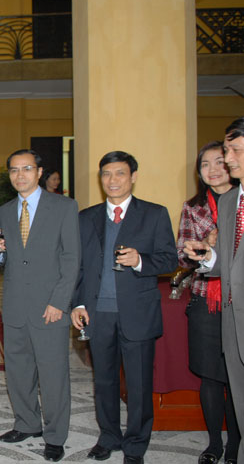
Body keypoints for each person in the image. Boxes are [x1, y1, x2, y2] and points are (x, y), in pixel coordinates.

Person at [72, 151, 177, 464]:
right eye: (106, 174)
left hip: (137, 312)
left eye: (119, 173)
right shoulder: (86, 217)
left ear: (133, 177)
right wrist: (78, 303)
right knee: (103, 381)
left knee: (138, 384)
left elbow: (169, 260)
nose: (112, 180)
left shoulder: (154, 214)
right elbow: (79, 266)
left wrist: (141, 260)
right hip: (98, 313)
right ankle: (108, 437)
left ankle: (135, 445)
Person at [0, 149, 80, 462]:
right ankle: (27, 423)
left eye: (26, 168)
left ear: (39, 172)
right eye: (14, 170)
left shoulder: (64, 207)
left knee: (53, 376)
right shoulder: (4, 211)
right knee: (18, 371)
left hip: (50, 306)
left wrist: (59, 302)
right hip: (15, 305)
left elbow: (72, 258)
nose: (20, 175)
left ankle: (55, 436)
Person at [185, 117, 244, 464]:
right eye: (205, 164)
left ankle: (235, 445)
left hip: (235, 302)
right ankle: (215, 444)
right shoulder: (207, 205)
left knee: (237, 382)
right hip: (209, 301)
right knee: (216, 377)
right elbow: (186, 256)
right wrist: (207, 251)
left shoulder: (235, 201)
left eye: (223, 157)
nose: (216, 167)